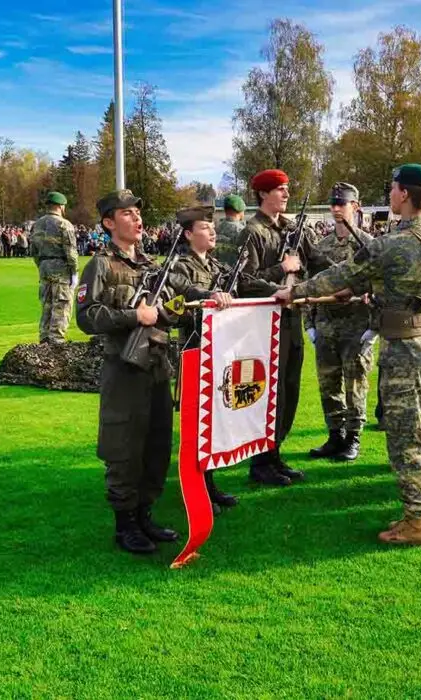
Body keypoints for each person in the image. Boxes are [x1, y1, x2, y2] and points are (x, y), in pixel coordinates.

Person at [273, 164, 421, 547]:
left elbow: (341, 275)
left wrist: (292, 292)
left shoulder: (393, 243)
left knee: (408, 435)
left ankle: (418, 522)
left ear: (404, 194)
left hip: (406, 348)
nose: (390, 195)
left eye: (392, 189)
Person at [76, 190, 230, 554]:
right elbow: (86, 317)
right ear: (109, 223)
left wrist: (213, 296)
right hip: (124, 368)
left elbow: (182, 292)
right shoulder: (101, 265)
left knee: (157, 445)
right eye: (127, 214)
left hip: (158, 365)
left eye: (137, 213)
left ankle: (146, 514)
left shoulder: (151, 266)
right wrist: (134, 316)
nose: (136, 219)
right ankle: (125, 524)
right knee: (124, 446)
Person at [171, 205, 278, 514]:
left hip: (219, 354)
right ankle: (197, 487)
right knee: (196, 425)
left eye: (213, 225)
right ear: (189, 234)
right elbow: (184, 289)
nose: (213, 230)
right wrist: (210, 295)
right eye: (205, 227)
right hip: (195, 352)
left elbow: (244, 282)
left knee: (214, 420)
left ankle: (210, 484)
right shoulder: (181, 265)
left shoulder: (217, 264)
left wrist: (280, 291)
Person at [239, 169, 333, 486]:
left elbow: (318, 260)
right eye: (280, 189)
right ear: (263, 194)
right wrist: (281, 269)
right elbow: (243, 280)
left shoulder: (292, 228)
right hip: (263, 322)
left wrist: (350, 280)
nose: (286, 194)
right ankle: (261, 461)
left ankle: (274, 452)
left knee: (288, 391)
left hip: (291, 319)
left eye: (287, 188)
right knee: (268, 392)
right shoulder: (251, 231)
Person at [305, 183, 377, 462]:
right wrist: (309, 324)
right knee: (328, 384)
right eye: (333, 204)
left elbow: (379, 286)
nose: (336, 209)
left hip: (356, 328)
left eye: (342, 204)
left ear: (355, 207)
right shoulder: (320, 248)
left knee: (355, 384)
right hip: (326, 325)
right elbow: (309, 286)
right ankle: (335, 436)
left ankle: (353, 437)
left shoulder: (368, 245)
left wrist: (374, 327)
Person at [29, 192, 78, 345]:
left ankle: (44, 340)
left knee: (47, 305)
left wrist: (42, 265)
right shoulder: (64, 224)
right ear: (61, 206)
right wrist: (74, 272)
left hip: (44, 268)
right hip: (61, 269)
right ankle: (57, 341)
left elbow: (34, 252)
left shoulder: (37, 224)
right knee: (62, 305)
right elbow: (70, 251)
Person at [213, 194, 248, 267]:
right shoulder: (243, 231)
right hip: (235, 274)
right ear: (240, 211)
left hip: (216, 272)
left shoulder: (214, 229)